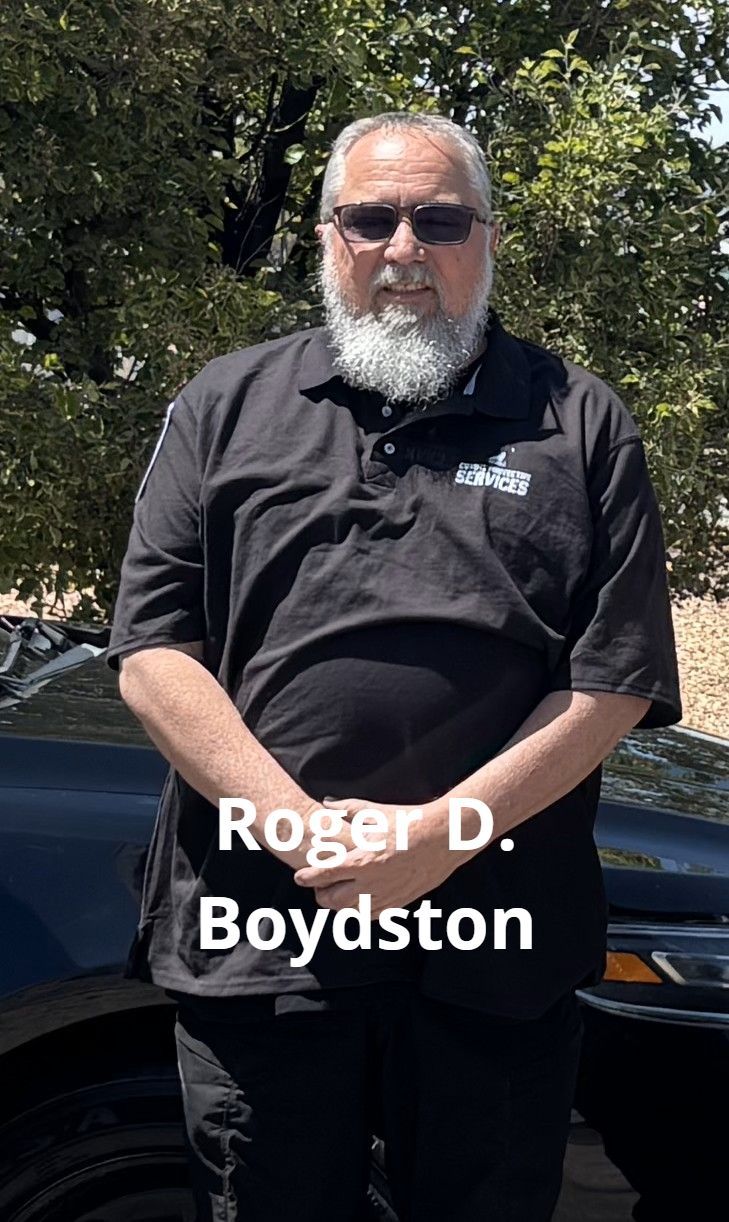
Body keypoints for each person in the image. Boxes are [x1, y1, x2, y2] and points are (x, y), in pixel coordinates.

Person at [107, 111, 682, 1222]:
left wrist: (437, 838)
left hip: (497, 940)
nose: (404, 248)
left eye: (439, 218)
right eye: (371, 218)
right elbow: (152, 648)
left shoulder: (581, 423)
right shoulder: (224, 407)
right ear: (330, 239)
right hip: (263, 931)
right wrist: (300, 830)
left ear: (488, 240)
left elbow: (612, 680)